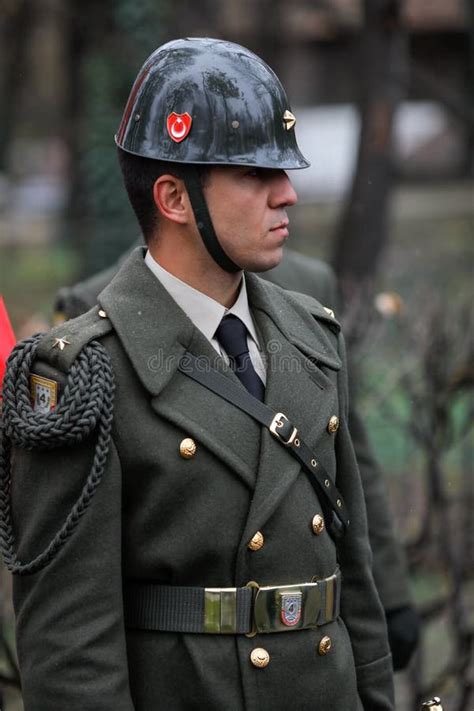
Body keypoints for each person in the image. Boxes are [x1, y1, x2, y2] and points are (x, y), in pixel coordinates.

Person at [1, 38, 394, 709]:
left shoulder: (312, 336)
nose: (289, 194)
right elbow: (72, 651)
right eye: (254, 175)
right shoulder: (83, 376)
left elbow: (350, 575)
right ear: (174, 198)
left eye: (284, 172)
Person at [54, 249, 420, 673]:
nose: (285, 195)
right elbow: (79, 606)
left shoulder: (309, 287)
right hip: (195, 668)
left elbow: (345, 461)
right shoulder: (93, 303)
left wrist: (389, 595)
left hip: (315, 665)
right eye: (250, 178)